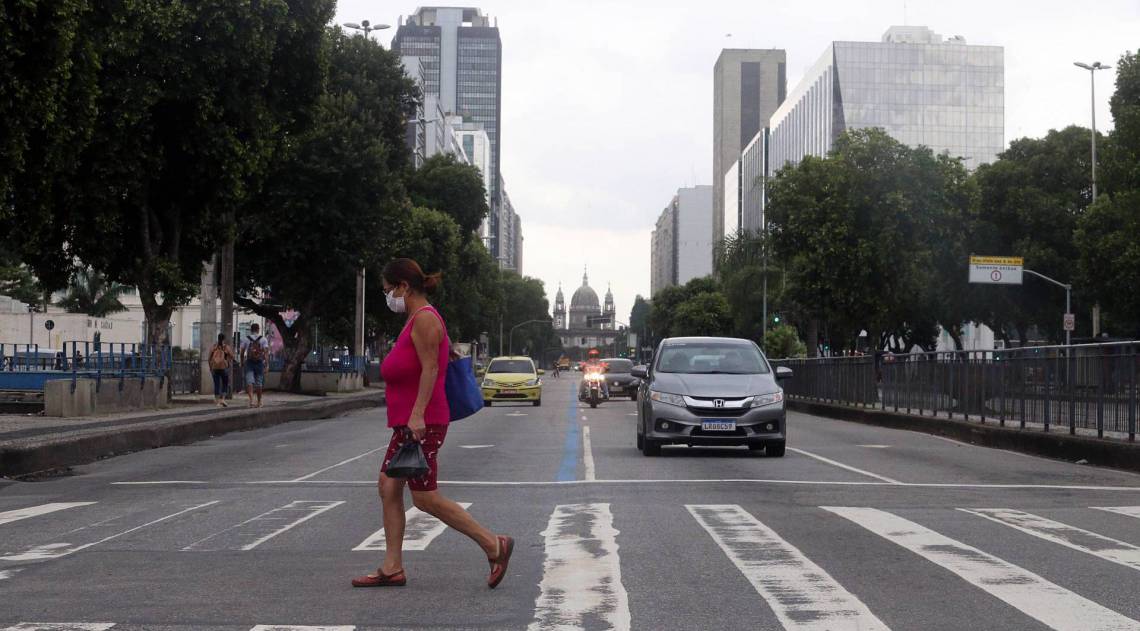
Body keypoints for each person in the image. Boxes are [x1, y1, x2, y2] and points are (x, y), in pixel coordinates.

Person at [353, 258, 513, 589]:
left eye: (387, 290)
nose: (388, 297)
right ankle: (393, 566)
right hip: (411, 421)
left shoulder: (425, 320)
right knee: (388, 485)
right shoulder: (417, 318)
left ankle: (494, 544)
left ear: (403, 287)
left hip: (421, 421)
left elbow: (431, 369)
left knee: (424, 497)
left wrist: (416, 415)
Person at [240, 323, 269, 408]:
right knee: (259, 383)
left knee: (249, 382)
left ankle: (251, 401)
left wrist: (242, 362)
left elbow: (242, 352)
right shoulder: (263, 339)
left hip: (249, 363)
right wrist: (267, 365)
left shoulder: (246, 339)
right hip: (259, 363)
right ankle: (259, 401)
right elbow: (266, 353)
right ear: (258, 329)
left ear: (251, 330)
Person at [208, 333, 235, 407]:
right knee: (225, 383)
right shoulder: (226, 347)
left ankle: (217, 401)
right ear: (224, 339)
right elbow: (232, 356)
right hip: (224, 368)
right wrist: (228, 359)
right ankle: (223, 399)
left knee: (216, 384)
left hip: (215, 368)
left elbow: (209, 358)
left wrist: (211, 367)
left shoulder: (214, 347)